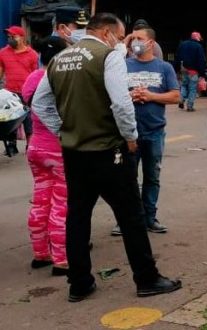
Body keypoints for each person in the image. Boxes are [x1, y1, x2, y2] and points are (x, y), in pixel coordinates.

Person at [31, 12, 181, 302]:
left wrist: (64, 132)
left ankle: (79, 282)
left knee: (77, 217)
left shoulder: (62, 57)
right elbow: (121, 102)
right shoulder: (107, 55)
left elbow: (40, 102)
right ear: (107, 32)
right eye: (120, 35)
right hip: (108, 150)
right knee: (131, 217)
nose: (122, 43)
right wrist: (131, 137)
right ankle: (147, 278)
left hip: (74, 152)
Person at [111, 27, 180, 236]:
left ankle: (149, 217)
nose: (134, 43)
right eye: (132, 39)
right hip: (129, 133)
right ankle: (125, 220)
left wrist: (150, 96)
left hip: (155, 132)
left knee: (152, 178)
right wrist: (131, 95)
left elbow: (176, 97)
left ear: (151, 43)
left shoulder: (164, 67)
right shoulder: (122, 65)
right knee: (127, 179)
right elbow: (113, 94)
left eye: (139, 39)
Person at [22, 36, 69, 276]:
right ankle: (61, 258)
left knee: (41, 199)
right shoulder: (60, 78)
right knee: (61, 204)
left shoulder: (31, 78)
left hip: (36, 148)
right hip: (59, 149)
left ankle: (40, 253)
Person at [0, 26, 38, 156]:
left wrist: (35, 91)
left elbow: (35, 75)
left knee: (28, 119)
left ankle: (30, 145)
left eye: (13, 36)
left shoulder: (32, 54)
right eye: (9, 37)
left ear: (22, 38)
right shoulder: (3, 53)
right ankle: (11, 145)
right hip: (10, 93)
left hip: (27, 92)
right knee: (9, 119)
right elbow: (0, 72)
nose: (10, 39)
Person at [175, 31, 205, 112]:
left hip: (183, 69)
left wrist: (177, 69)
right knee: (192, 88)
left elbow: (177, 57)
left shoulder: (182, 44)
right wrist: (202, 73)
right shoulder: (198, 47)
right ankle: (190, 106)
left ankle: (181, 99)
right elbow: (201, 60)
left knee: (184, 86)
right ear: (198, 38)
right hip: (193, 72)